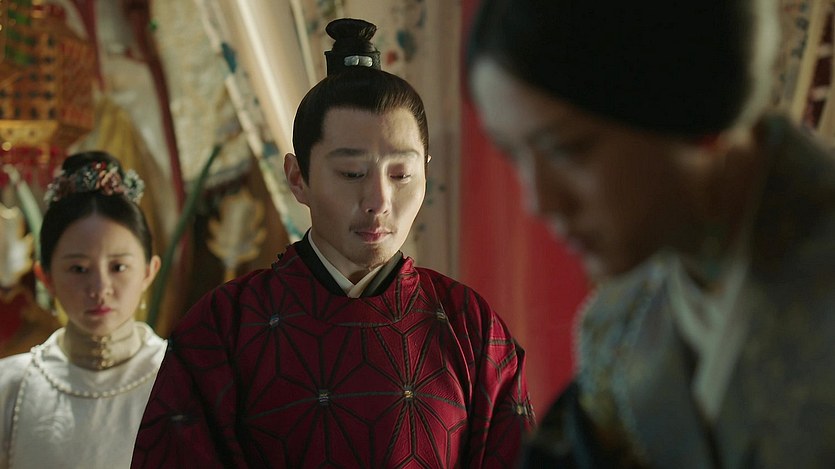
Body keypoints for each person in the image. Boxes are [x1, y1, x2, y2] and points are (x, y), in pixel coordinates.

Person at [133, 18, 533, 468]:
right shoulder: (222, 327)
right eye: (351, 173)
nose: (379, 201)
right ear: (297, 178)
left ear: (426, 171)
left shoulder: (469, 325)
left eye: (401, 174)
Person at [467, 0, 835, 467]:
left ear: (694, 108)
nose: (539, 202)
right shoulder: (617, 328)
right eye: (513, 155)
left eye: (567, 150)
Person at [0, 151, 164, 468]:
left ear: (148, 272)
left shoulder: (185, 380)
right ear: (46, 278)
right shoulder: (11, 388)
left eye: (118, 267)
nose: (100, 288)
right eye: (78, 269)